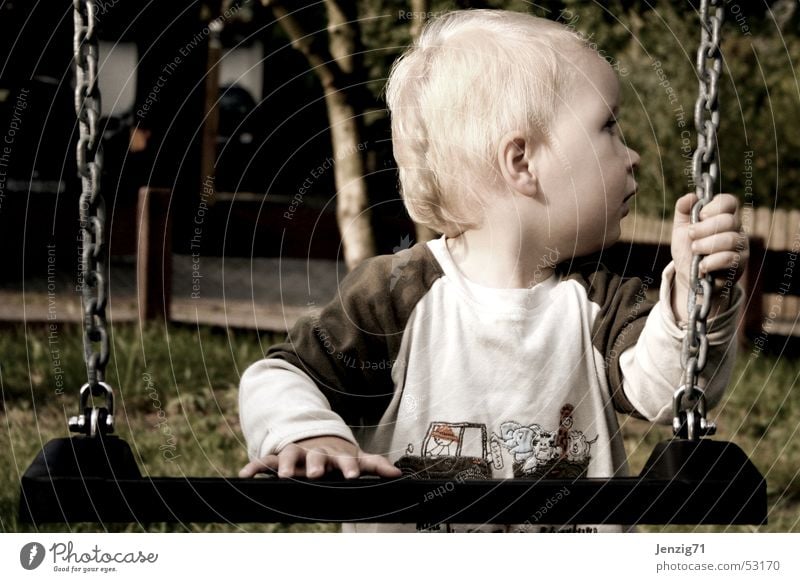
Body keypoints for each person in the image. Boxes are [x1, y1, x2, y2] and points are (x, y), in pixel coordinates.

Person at [238, 9, 748, 532]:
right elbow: (278, 375)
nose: (633, 155)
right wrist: (307, 433)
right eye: (609, 127)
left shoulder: (601, 298)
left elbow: (666, 394)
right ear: (522, 162)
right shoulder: (396, 297)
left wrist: (692, 293)